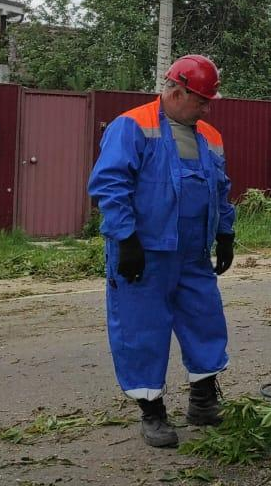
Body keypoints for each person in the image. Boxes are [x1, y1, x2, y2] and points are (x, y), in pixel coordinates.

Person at [88, 55, 236, 449]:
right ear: (175, 92)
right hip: (145, 253)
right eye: (202, 100)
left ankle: (203, 402)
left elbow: (220, 188)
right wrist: (126, 240)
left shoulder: (210, 136)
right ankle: (152, 413)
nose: (207, 108)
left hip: (192, 253)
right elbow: (110, 184)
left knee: (205, 321)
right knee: (142, 330)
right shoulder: (133, 126)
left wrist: (225, 233)